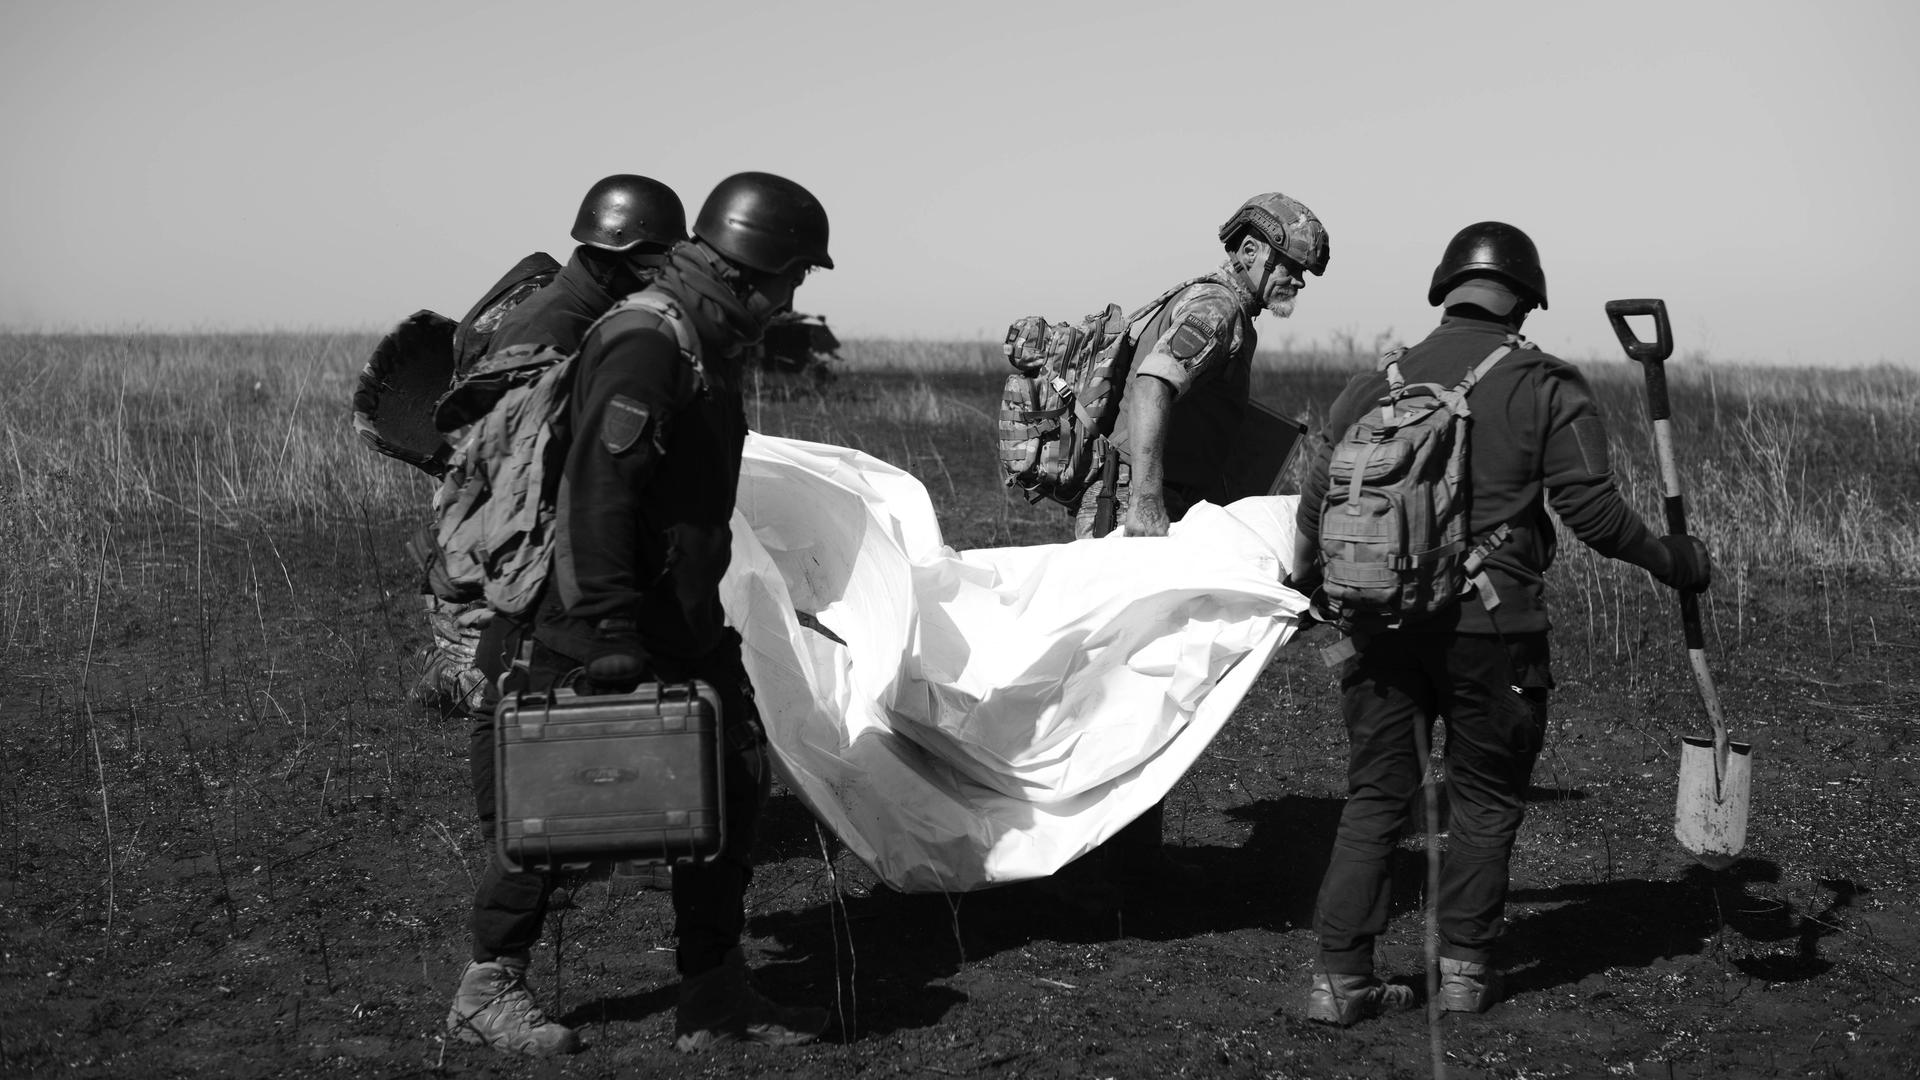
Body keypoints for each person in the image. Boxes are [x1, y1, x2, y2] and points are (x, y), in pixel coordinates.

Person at [444, 171, 835, 1057]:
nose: (791, 299)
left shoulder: (701, 338)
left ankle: (714, 996)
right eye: (794, 278)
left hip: (677, 617)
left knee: (730, 789)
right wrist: (611, 630)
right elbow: (599, 493)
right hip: (592, 620)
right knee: (557, 803)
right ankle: (486, 990)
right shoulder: (647, 341)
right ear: (757, 267)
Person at [1287, 221, 1713, 1026]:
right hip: (1494, 632)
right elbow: (1589, 512)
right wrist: (1674, 561)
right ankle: (1466, 977)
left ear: (1445, 289)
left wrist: (1315, 591)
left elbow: (1313, 505)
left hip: (1376, 628)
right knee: (1482, 803)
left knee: (1376, 798)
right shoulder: (1546, 383)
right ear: (1525, 298)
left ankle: (1338, 981)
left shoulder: (1367, 384)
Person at [1072, 191, 1330, 891]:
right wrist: (1149, 502)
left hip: (1141, 508)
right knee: (1132, 683)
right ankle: (1109, 872)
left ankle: (1124, 858)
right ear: (1249, 251)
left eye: (1302, 274)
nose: (1295, 283)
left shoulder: (1214, 306)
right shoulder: (1217, 309)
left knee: (1136, 681)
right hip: (1140, 515)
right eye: (1289, 267)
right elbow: (1154, 386)